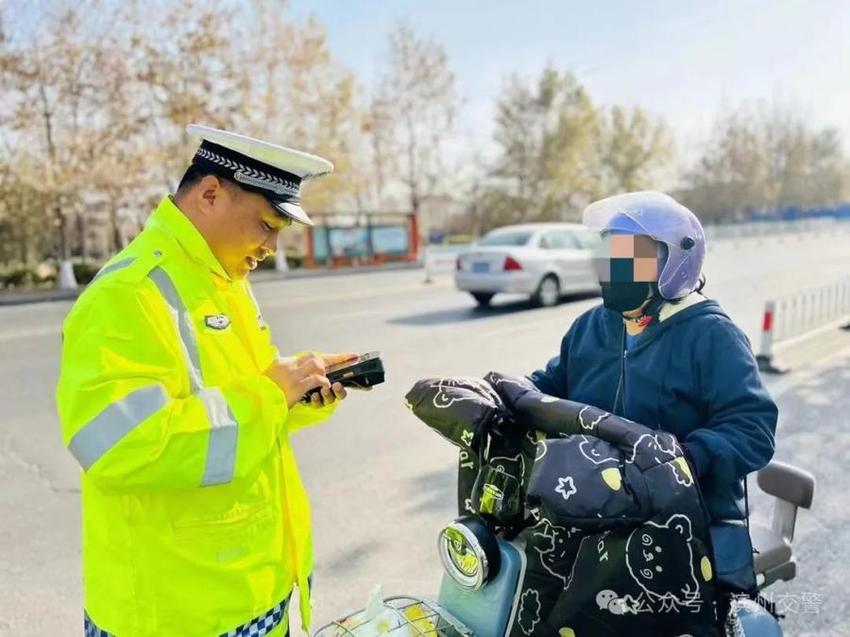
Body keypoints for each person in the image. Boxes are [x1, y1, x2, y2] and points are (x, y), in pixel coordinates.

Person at [56, 124, 357, 636]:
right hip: (176, 610)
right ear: (211, 193)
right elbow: (121, 448)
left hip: (249, 588)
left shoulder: (225, 279)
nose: (269, 245)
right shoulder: (129, 293)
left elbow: (240, 398)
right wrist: (270, 394)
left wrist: (300, 388)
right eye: (266, 224)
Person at [530, 191, 777, 616]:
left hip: (687, 516)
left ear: (674, 262)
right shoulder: (592, 327)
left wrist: (681, 462)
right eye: (608, 255)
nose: (613, 268)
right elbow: (550, 386)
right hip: (596, 507)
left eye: (628, 257)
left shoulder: (711, 335)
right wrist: (504, 395)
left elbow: (751, 428)